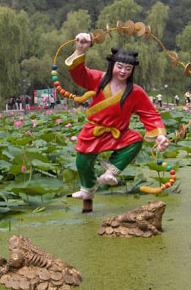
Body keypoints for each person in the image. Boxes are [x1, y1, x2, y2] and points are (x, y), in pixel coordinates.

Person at [66, 33, 169, 201]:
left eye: (128, 69)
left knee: (135, 140)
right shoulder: (98, 79)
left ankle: (110, 172)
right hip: (95, 130)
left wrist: (160, 135)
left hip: (119, 132)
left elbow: (150, 114)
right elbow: (80, 75)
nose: (123, 71)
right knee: (82, 162)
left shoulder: (135, 92)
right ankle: (88, 188)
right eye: (120, 66)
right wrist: (80, 50)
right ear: (112, 64)